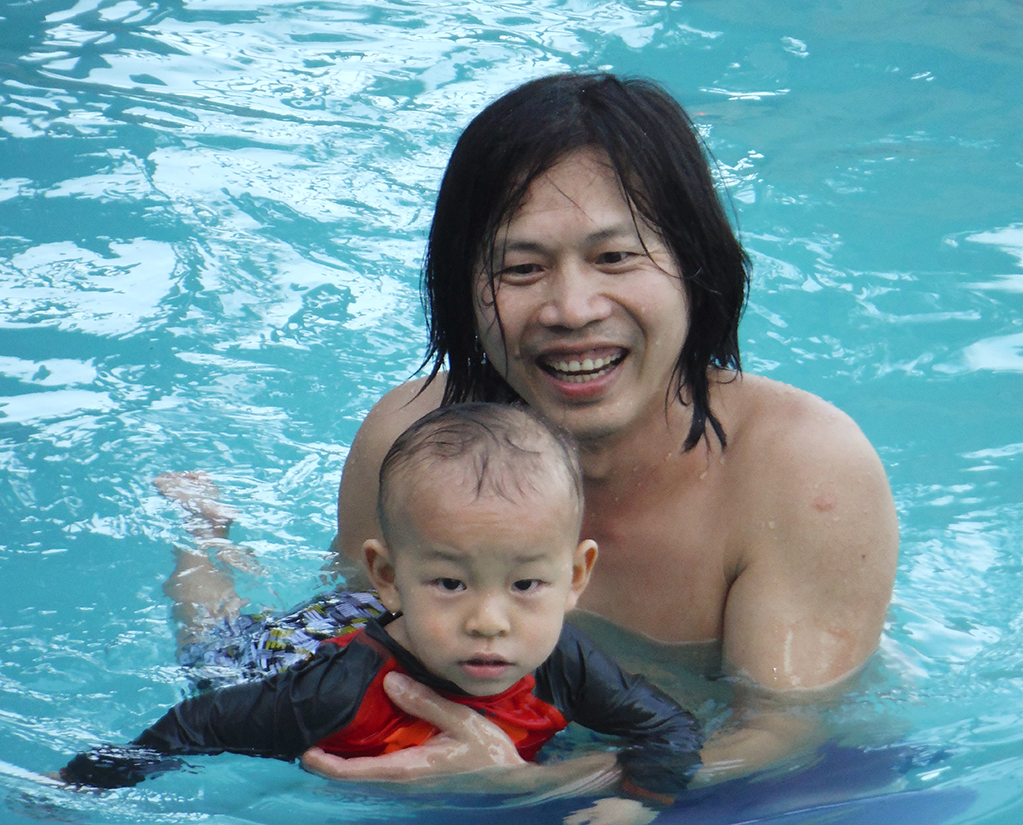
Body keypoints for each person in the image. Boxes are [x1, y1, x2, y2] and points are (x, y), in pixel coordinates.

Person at [315, 72, 898, 783]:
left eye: (615, 257)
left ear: (696, 266)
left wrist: (526, 785)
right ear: (461, 290)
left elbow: (785, 734)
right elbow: (343, 645)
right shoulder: (406, 444)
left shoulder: (802, 471)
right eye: (521, 267)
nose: (572, 308)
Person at [58, 403, 702, 804]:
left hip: (378, 622)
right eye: (450, 582)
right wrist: (80, 785)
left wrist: (634, 802)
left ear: (575, 576)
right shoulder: (329, 695)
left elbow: (670, 731)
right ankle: (203, 532)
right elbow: (193, 725)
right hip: (287, 655)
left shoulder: (568, 661)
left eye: (526, 585)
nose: (488, 620)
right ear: (387, 575)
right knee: (211, 638)